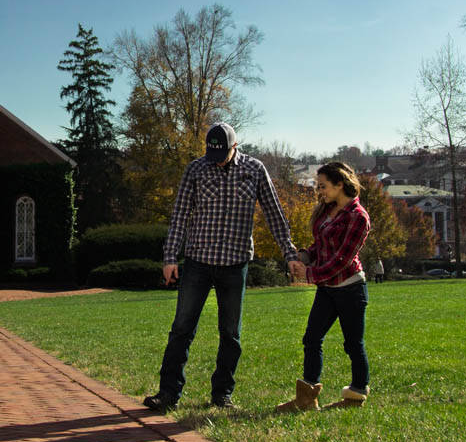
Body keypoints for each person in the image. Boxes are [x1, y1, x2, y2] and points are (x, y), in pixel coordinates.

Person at [143, 122, 304, 412]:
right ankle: (168, 393)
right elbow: (179, 214)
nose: (214, 160)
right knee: (182, 329)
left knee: (230, 333)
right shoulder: (196, 169)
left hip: (234, 262)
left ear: (235, 147)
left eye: (221, 154)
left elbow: (274, 213)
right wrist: (170, 258)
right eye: (210, 154)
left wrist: (289, 253)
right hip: (197, 261)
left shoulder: (254, 170)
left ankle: (222, 395)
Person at [275, 161, 371, 412]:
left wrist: (309, 274)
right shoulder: (327, 212)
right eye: (319, 186)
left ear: (340, 184)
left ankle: (356, 396)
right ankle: (306, 399)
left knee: (353, 344)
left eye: (324, 186)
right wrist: (304, 257)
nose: (320, 191)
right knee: (311, 338)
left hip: (350, 288)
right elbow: (321, 247)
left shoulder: (358, 217)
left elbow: (341, 260)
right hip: (327, 289)